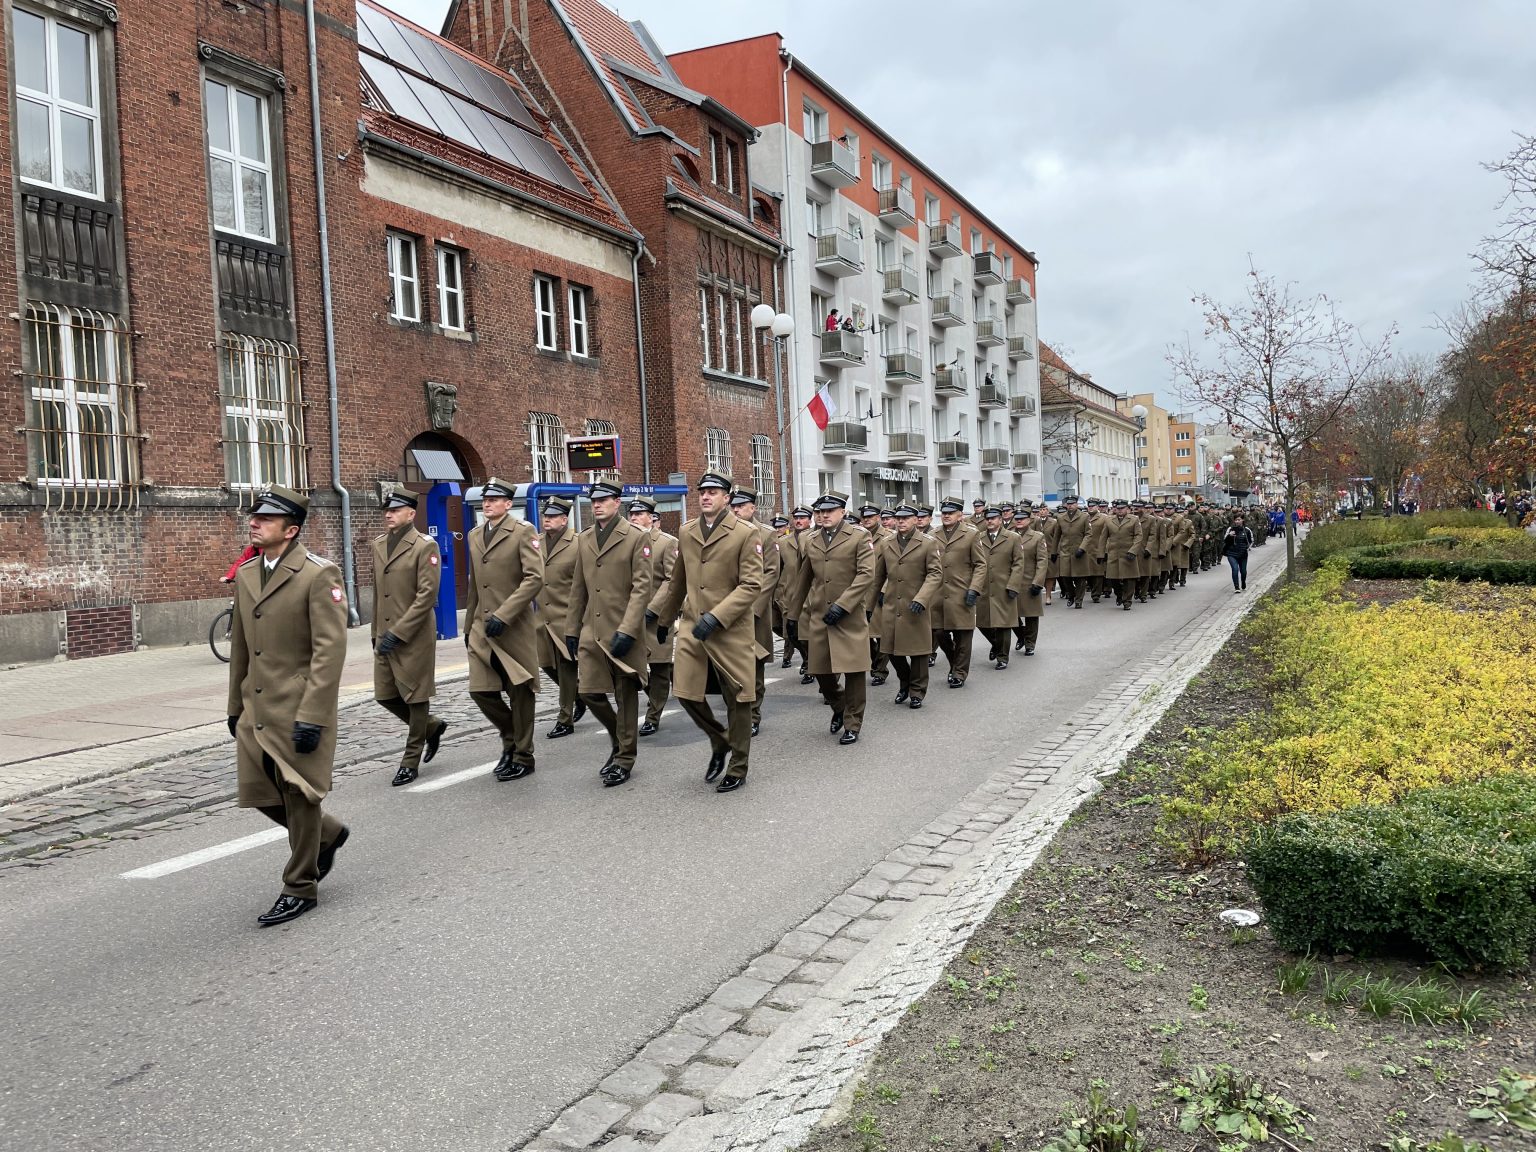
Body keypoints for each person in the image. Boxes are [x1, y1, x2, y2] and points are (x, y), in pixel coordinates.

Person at [226, 485, 349, 927]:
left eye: (267, 518)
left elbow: (329, 652)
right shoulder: (246, 574)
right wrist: (233, 706)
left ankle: (300, 886)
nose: (254, 522)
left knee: (299, 796)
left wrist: (313, 714)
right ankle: (329, 834)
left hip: (298, 706)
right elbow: (241, 646)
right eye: (254, 516)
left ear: (291, 530)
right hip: (255, 708)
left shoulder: (319, 575)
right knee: (258, 792)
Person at [650, 473, 764, 792]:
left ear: (727, 497)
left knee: (738, 698)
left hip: (729, 629)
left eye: (713, 492)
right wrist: (663, 619)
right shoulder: (686, 531)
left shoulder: (745, 533)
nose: (705, 496)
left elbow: (752, 584)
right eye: (702, 492)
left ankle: (738, 765)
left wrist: (717, 617)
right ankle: (720, 739)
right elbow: (678, 581)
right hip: (692, 627)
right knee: (685, 692)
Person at [565, 480, 653, 787]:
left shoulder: (635, 537)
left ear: (618, 503)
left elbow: (642, 589)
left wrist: (629, 629)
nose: (597, 504)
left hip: (623, 630)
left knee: (625, 695)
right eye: (594, 500)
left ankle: (625, 757)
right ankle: (620, 739)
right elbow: (578, 588)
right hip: (592, 630)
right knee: (588, 691)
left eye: (604, 499)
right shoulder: (585, 538)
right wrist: (572, 629)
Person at [465, 477, 545, 781]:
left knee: (520, 691)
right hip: (482, 627)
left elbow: (534, 579)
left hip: (513, 627)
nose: (487, 503)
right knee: (480, 690)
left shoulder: (523, 532)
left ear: (508, 504)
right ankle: (512, 738)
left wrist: (506, 613)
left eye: (495, 499)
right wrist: (468, 624)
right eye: (485, 499)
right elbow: (475, 586)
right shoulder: (474, 535)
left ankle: (523, 755)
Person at [370, 485, 448, 787]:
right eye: (386, 511)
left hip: (414, 635)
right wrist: (376, 632)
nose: (388, 515)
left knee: (416, 697)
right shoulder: (379, 544)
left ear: (411, 513)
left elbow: (426, 595)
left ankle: (410, 760)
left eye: (394, 510)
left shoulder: (423, 546)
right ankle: (432, 728)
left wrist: (399, 632)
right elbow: (378, 593)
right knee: (385, 694)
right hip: (384, 633)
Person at [786, 490, 876, 744]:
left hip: (849, 617)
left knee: (855, 672)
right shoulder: (811, 539)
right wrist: (792, 616)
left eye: (829, 511)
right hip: (820, 617)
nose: (823, 515)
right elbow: (803, 579)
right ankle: (839, 706)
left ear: (843, 512)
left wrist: (844, 604)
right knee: (821, 672)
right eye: (820, 511)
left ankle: (853, 723)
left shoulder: (859, 536)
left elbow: (866, 575)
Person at [870, 504, 942, 708]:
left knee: (918, 651)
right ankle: (905, 683)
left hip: (916, 604)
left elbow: (935, 574)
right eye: (898, 518)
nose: (901, 521)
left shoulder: (928, 543)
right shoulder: (886, 543)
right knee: (890, 649)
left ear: (915, 519)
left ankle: (917, 691)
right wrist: (868, 605)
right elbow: (878, 576)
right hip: (892, 605)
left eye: (906, 518)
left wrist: (922, 598)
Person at [729, 488, 781, 737]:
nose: (736, 510)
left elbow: (771, 572)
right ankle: (736, 710)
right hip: (729, 609)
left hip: (754, 611)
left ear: (753, 507)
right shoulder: (728, 532)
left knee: (754, 662)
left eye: (741, 506)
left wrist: (753, 608)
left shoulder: (766, 535)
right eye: (734, 506)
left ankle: (753, 714)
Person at [535, 496, 585, 740]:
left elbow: (583, 583)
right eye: (545, 515)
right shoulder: (536, 542)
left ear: (564, 519)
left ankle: (565, 718)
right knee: (545, 664)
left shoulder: (577, 544)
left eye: (553, 515)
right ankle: (578, 695)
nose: (547, 519)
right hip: (542, 619)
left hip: (567, 616)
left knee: (566, 667)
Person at [629, 496, 677, 737]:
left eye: (639, 514)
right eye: (632, 514)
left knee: (657, 667)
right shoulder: (626, 542)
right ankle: (672, 679)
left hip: (656, 616)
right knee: (631, 668)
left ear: (651, 517)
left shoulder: (666, 543)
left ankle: (653, 715)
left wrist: (653, 609)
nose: (634, 518)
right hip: (630, 616)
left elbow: (672, 579)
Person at [930, 497, 987, 689]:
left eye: (950, 512)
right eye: (944, 512)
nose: (946, 515)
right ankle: (955, 663)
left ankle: (959, 673)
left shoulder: (971, 534)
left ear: (960, 515)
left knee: (963, 635)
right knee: (939, 633)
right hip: (937, 595)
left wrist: (974, 588)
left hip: (962, 592)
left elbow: (980, 564)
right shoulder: (933, 534)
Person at [975, 507, 1025, 670]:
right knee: (981, 623)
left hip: (1004, 586)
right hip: (983, 587)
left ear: (1000, 519)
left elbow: (1018, 563)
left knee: (1003, 624)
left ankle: (1002, 657)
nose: (989, 521)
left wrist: (1013, 585)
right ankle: (996, 645)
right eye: (987, 518)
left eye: (993, 518)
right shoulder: (979, 538)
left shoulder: (1012, 538)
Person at [1101, 498, 1143, 610]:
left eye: (1122, 508)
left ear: (1127, 509)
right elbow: (1103, 537)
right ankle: (1119, 595)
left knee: (1129, 579)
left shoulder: (1134, 520)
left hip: (1128, 553)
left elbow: (1138, 536)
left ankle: (1127, 601)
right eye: (1117, 508)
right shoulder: (1109, 520)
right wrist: (1101, 553)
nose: (1119, 510)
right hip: (1113, 553)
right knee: (1113, 579)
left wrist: (1133, 550)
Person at [1222, 512, 1254, 592]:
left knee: (1243, 571)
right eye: (1235, 520)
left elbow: (1251, 541)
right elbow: (1225, 540)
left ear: (1242, 520)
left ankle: (1243, 582)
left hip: (1243, 554)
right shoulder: (1230, 529)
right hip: (1231, 553)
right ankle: (1236, 587)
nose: (1237, 521)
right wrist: (1230, 535)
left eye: (1239, 520)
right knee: (1235, 569)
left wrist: (1247, 547)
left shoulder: (1247, 530)